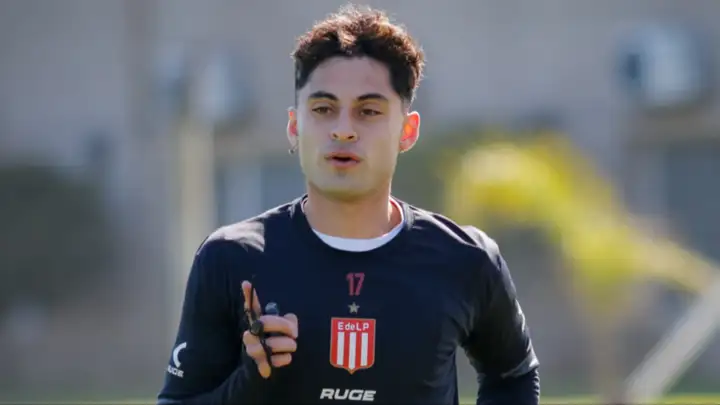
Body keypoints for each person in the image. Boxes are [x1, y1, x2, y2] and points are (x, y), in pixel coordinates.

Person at [157, 4, 540, 405]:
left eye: (368, 111)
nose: (343, 130)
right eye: (323, 109)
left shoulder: (467, 259)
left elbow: (514, 376)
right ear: (294, 126)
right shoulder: (230, 258)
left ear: (407, 130)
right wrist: (250, 384)